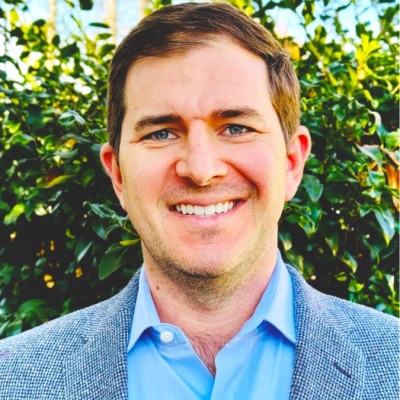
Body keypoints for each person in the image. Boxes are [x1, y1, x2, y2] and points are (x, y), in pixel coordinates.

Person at [0, 2, 398, 399]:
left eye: (236, 127)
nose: (201, 169)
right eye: (160, 133)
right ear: (118, 175)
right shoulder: (12, 379)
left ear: (291, 164)